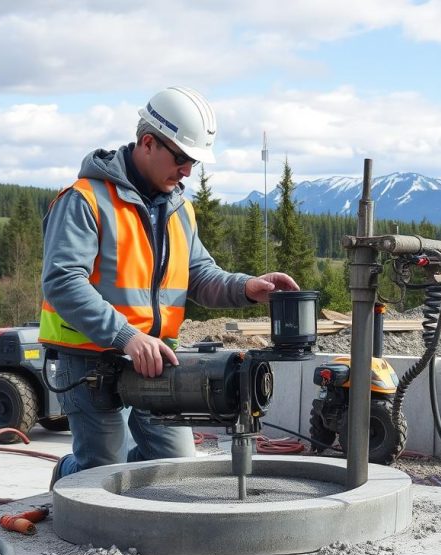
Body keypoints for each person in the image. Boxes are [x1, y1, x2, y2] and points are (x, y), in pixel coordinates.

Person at [41, 87, 299, 486]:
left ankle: (121, 475)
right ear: (148, 142)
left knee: (178, 467)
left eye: (193, 162)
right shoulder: (84, 200)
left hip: (156, 361)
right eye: (181, 158)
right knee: (103, 471)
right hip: (89, 361)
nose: (187, 171)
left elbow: (199, 275)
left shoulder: (179, 208)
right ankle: (70, 474)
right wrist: (127, 337)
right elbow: (62, 283)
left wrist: (249, 288)